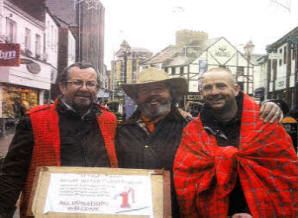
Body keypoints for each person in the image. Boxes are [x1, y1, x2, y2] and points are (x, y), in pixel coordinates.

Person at [116, 67, 283, 217]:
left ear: (171, 94)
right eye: (145, 90)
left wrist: (272, 105)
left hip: (178, 212)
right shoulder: (121, 131)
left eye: (159, 89)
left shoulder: (191, 128)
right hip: (131, 210)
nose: (153, 95)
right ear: (137, 97)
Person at [173, 67, 297, 218]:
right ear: (202, 93)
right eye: (208, 88)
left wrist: (252, 212)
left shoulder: (265, 122)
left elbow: (285, 177)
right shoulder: (193, 131)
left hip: (260, 211)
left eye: (221, 85)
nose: (214, 92)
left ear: (236, 89)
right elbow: (187, 180)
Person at [0, 62, 118, 218]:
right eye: (77, 82)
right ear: (62, 87)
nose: (84, 88)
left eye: (90, 84)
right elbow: (13, 174)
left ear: (97, 89)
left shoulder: (109, 120)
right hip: (47, 212)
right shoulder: (35, 119)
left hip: (98, 211)